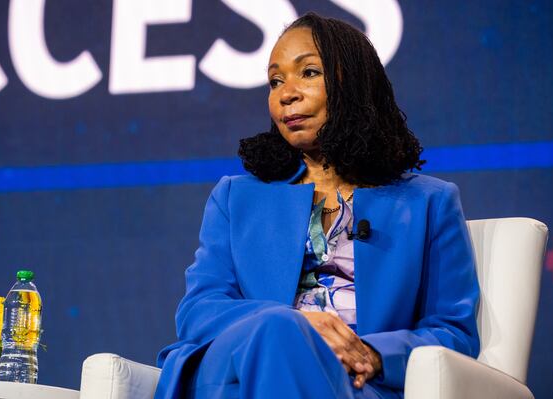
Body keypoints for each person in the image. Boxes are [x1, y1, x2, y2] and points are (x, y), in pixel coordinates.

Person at [155, 12, 479, 399]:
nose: (286, 93)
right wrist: (299, 324)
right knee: (277, 331)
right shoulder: (235, 197)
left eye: (308, 73)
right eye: (275, 81)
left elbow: (453, 333)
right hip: (238, 367)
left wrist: (374, 354)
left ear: (352, 84)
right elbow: (199, 311)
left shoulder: (428, 202)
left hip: (351, 383)